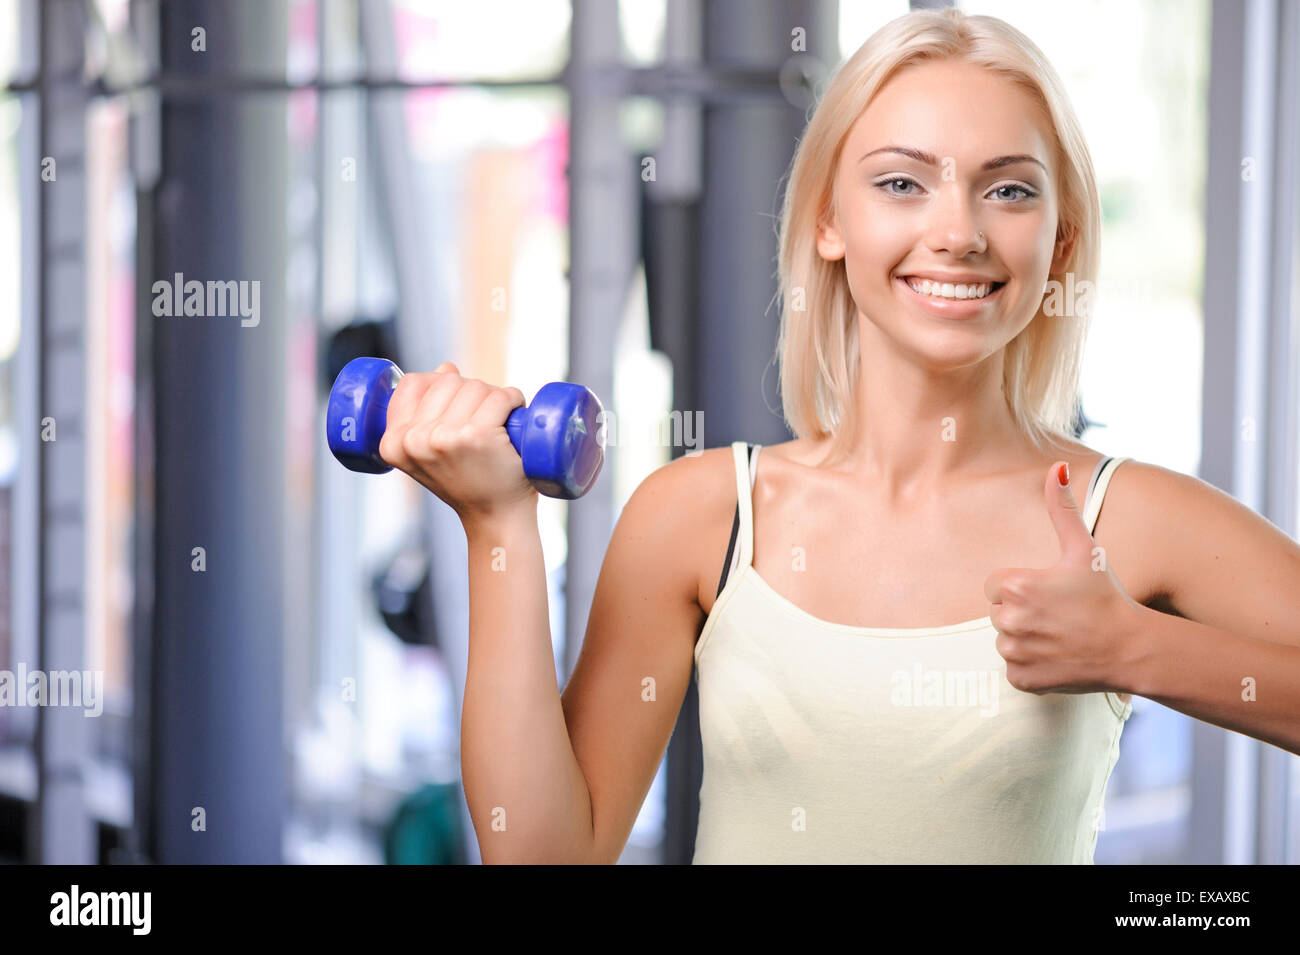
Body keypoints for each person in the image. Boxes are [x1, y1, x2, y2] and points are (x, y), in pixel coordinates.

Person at [376, 8, 1300, 863]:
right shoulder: (702, 515)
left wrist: (1134, 649)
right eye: (902, 182)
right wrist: (498, 528)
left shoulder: (1123, 520)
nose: (958, 231)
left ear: (1059, 242)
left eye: (1009, 190)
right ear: (828, 219)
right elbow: (544, 855)